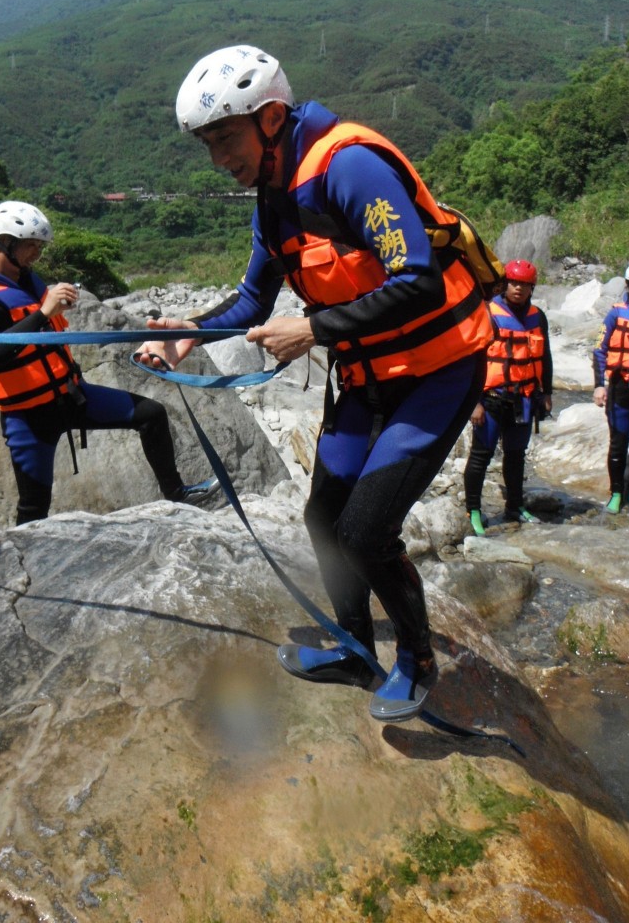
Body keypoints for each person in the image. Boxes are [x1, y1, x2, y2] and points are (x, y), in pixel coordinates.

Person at [135, 44, 494, 722]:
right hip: (368, 374)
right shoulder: (272, 203)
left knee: (364, 531)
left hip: (439, 368)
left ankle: (417, 659)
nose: (219, 160)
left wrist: (316, 329)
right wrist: (188, 333)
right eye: (207, 145)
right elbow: (249, 303)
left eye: (225, 138)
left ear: (270, 118)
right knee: (324, 519)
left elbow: (415, 278)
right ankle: (355, 644)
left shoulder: (349, 166)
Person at [0, 200, 219, 525]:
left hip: (72, 396)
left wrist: (51, 304)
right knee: (33, 509)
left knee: (152, 414)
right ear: (5, 242)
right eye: (31, 247)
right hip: (29, 419)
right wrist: (42, 314)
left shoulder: (25, 282)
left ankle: (176, 492)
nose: (36, 254)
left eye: (39, 247)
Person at [463, 259, 553, 535]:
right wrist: (473, 402)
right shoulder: (488, 312)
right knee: (481, 456)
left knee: (516, 455)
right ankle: (474, 510)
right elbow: (472, 359)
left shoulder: (538, 316)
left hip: (524, 399)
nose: (519, 288)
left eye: (525, 284)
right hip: (491, 398)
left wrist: (546, 392)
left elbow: (545, 357)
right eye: (514, 283)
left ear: (532, 288)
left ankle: (515, 506)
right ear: (505, 285)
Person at [592, 259, 629, 515]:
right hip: (620, 388)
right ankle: (616, 492)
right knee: (619, 442)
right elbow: (599, 350)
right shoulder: (616, 313)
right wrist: (598, 386)